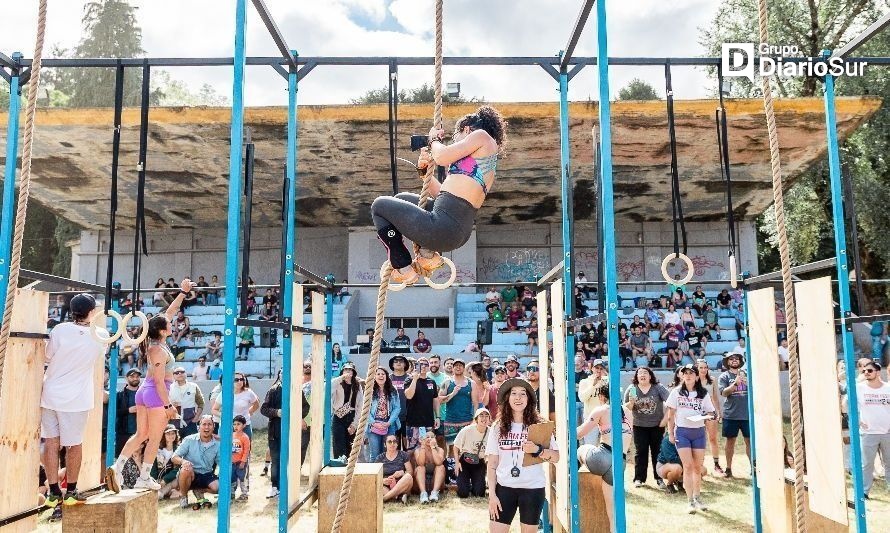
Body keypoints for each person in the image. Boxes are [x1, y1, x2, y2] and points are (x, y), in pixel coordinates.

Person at [371, 106, 506, 284]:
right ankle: (427, 256)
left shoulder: (481, 136)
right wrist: (424, 171)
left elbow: (442, 157)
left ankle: (402, 266)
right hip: (453, 226)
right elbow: (441, 194)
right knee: (400, 200)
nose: (454, 141)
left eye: (455, 137)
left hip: (445, 226)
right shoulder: (479, 159)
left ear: (466, 129)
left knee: (379, 206)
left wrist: (433, 139)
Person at [108, 279, 193, 493]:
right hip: (155, 393)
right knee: (154, 438)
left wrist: (182, 292)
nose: (171, 323)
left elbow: (171, 310)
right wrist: (168, 406)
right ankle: (144, 476)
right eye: (168, 325)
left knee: (141, 435)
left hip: (144, 393)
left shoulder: (158, 342)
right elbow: (158, 381)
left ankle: (117, 469)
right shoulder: (157, 350)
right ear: (163, 331)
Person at [41, 293, 107, 509]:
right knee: (74, 445)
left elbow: (47, 356)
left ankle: (52, 491)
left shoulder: (59, 330)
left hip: (50, 393)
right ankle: (70, 491)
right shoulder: (101, 336)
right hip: (76, 399)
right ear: (91, 312)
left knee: (50, 441)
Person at [486, 378, 559, 532]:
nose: (518, 398)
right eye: (514, 393)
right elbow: (492, 464)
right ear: (507, 398)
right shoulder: (498, 427)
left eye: (523, 394)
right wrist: (492, 495)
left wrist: (538, 450)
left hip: (533, 489)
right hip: (504, 489)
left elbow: (556, 457)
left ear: (529, 399)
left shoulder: (539, 425)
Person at [577, 381, 632, 532]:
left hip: (603, 456)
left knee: (581, 449)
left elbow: (580, 433)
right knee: (612, 510)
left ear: (601, 396)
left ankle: (571, 481)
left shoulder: (601, 410)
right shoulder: (628, 412)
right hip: (619, 462)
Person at [666, 363, 717, 513]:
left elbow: (712, 413)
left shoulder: (703, 393)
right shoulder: (676, 392)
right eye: (685, 373)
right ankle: (690, 502)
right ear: (681, 375)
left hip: (698, 432)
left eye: (691, 373)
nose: (688, 375)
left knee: (697, 467)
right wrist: (670, 433)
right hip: (682, 432)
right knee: (687, 466)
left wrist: (704, 416)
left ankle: (698, 498)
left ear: (696, 376)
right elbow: (670, 415)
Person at [623, 367, 669, 488]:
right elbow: (625, 408)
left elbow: (671, 402)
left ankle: (659, 478)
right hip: (639, 426)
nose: (642, 375)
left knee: (657, 452)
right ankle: (639, 478)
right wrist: (631, 403)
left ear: (650, 376)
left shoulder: (658, 387)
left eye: (645, 373)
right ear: (636, 377)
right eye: (640, 373)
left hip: (657, 426)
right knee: (641, 452)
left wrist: (665, 420)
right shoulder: (632, 388)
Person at [852, 360, 890, 497]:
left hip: (887, 433)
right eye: (864, 371)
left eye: (870, 371)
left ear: (878, 372)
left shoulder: (888, 388)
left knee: (889, 463)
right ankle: (864, 492)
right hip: (868, 433)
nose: (866, 373)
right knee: (867, 465)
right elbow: (847, 405)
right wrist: (858, 421)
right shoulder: (859, 388)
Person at [172, 416, 221, 509]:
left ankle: (198, 490)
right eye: (204, 424)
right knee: (186, 469)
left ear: (213, 427)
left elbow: (221, 463)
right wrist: (183, 461)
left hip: (206, 474)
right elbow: (174, 457)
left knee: (219, 487)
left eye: (209, 424)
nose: (207, 427)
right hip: (190, 473)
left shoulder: (217, 444)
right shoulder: (189, 440)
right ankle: (183, 497)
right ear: (199, 427)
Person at [719, 352, 750, 478]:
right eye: (731, 359)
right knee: (730, 441)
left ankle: (753, 468)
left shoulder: (747, 374)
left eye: (737, 358)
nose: (734, 360)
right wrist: (735, 383)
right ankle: (728, 468)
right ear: (728, 362)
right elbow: (724, 393)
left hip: (747, 415)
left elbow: (756, 390)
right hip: (731, 414)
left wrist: (748, 383)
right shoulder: (724, 376)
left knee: (749, 441)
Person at [403, 357, 440, 451]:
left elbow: (435, 400)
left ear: (428, 367)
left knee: (428, 449)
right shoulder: (409, 380)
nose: (423, 366)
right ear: (416, 366)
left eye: (425, 364)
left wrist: (438, 417)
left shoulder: (431, 382)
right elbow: (409, 395)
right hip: (413, 422)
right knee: (411, 450)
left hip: (428, 422)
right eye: (420, 364)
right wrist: (415, 379)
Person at [453, 408, 491, 498]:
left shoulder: (492, 432)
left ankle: (474, 485)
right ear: (476, 419)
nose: (484, 418)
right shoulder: (467, 430)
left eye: (487, 416)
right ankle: (464, 485)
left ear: (489, 419)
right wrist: (457, 463)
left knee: (479, 493)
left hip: (479, 462)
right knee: (463, 493)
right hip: (465, 461)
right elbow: (456, 446)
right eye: (481, 416)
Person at [366, 367, 402, 460]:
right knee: (375, 453)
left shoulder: (392, 390)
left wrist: (389, 422)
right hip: (373, 424)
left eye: (383, 374)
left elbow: (397, 408)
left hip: (389, 424)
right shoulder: (369, 390)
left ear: (386, 376)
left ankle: (385, 473)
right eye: (378, 374)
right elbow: (365, 409)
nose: (381, 376)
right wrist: (373, 422)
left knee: (387, 452)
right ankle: (373, 474)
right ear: (374, 376)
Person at [211, 372, 260, 439]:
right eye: (236, 380)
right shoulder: (225, 393)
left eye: (241, 379)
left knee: (245, 448)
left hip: (244, 426)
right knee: (226, 448)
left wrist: (249, 412)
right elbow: (214, 410)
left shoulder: (248, 392)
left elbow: (256, 404)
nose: (239, 381)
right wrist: (224, 415)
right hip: (227, 426)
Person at [697, 359, 724, 475]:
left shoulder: (712, 380)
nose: (703, 370)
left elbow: (715, 397)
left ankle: (716, 464)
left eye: (705, 367)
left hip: (710, 412)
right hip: (697, 413)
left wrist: (718, 412)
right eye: (701, 368)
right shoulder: (693, 380)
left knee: (712, 438)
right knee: (699, 439)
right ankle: (699, 464)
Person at [440, 359, 475, 450]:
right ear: (453, 368)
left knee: (466, 448)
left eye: (460, 365)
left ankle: (464, 464)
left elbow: (475, 403)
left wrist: (474, 420)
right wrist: (452, 394)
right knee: (451, 448)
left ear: (464, 368)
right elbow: (439, 400)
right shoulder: (447, 382)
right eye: (456, 365)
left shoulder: (471, 383)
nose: (458, 367)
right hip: (450, 421)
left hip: (467, 421)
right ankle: (452, 464)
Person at [331, 362, 362, 459]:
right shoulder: (337, 382)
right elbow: (328, 388)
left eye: (350, 370)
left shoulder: (357, 385)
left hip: (351, 416)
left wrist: (355, 424)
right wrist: (342, 378)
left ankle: (349, 469)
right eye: (346, 370)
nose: (348, 372)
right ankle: (339, 467)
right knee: (338, 445)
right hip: (338, 416)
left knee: (350, 446)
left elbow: (360, 406)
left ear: (353, 372)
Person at [375, 435, 414, 504]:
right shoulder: (380, 458)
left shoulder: (403, 454)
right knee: (378, 484)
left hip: (401, 484)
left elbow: (410, 472)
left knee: (408, 477)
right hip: (386, 486)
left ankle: (385, 498)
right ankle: (397, 497)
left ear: (397, 444)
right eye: (389, 442)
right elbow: (375, 476)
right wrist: (382, 481)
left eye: (394, 441)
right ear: (385, 444)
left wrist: (402, 473)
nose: (392, 444)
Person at [578, 359, 608, 445]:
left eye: (601, 368)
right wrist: (593, 385)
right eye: (597, 368)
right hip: (590, 418)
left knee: (608, 446)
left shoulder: (606, 382)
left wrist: (607, 379)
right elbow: (582, 398)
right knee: (590, 446)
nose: (599, 371)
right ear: (592, 369)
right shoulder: (584, 382)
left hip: (605, 419)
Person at [169, 366, 205, 438]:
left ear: (186, 374)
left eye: (182, 372)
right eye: (177, 372)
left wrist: (197, 417)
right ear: (173, 375)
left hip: (190, 423)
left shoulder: (193, 386)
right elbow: (163, 404)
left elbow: (201, 403)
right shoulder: (169, 387)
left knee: (192, 447)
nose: (180, 374)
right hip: (173, 423)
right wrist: (171, 405)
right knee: (174, 447)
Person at [414, 428, 447, 504]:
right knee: (420, 468)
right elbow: (421, 463)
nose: (429, 439)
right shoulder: (418, 450)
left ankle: (434, 493)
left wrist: (433, 448)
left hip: (436, 481)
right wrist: (422, 446)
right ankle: (423, 494)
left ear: (435, 438)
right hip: (422, 481)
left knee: (441, 467)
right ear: (423, 439)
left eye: (432, 437)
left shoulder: (440, 450)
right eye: (427, 437)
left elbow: (438, 462)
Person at [116, 368, 142, 455]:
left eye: (137, 376)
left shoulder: (144, 393)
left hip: (141, 433)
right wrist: (128, 410)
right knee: (121, 458)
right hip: (123, 433)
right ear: (126, 378)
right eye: (132, 376)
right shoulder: (119, 394)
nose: (135, 378)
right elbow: (114, 413)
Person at [153, 425, 182, 500]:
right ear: (163, 435)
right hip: (158, 479)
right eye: (168, 434)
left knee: (179, 477)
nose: (171, 436)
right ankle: (169, 492)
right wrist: (156, 481)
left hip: (172, 479)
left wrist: (165, 480)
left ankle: (162, 493)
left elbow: (177, 469)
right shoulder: (158, 450)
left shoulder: (179, 449)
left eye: (173, 433)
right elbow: (153, 468)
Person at [388, 355, 410, 446]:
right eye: (395, 361)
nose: (398, 363)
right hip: (392, 416)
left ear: (405, 364)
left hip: (408, 415)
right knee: (394, 442)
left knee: (407, 442)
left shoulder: (411, 378)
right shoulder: (387, 379)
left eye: (401, 361)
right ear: (392, 365)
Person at [231, 415, 251, 500]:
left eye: (238, 424)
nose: (236, 426)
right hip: (232, 462)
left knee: (242, 477)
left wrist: (243, 462)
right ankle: (232, 493)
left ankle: (244, 493)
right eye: (234, 424)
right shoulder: (231, 435)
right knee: (232, 477)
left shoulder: (245, 437)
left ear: (244, 425)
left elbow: (246, 451)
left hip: (241, 462)